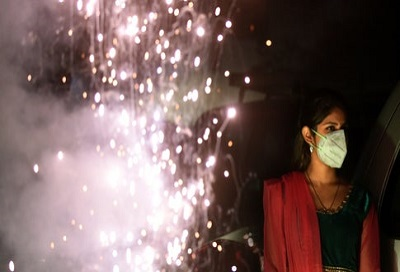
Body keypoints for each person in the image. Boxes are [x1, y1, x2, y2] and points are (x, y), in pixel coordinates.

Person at [263, 89, 380, 272]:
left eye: (343, 129)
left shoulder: (360, 201)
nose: (339, 137)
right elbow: (274, 265)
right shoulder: (283, 195)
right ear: (309, 135)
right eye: (331, 128)